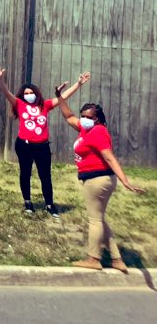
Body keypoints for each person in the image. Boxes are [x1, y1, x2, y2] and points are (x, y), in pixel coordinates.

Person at [55, 73, 145, 272]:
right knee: (100, 218)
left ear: (98, 119)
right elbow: (69, 116)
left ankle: (93, 259)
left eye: (90, 117)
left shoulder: (97, 132)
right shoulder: (86, 130)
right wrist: (59, 97)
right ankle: (116, 259)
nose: (85, 120)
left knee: (94, 219)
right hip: (97, 178)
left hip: (97, 179)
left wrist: (125, 181)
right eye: (84, 116)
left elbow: (110, 157)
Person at [0, 65, 88, 218]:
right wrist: (0, 80)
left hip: (42, 147)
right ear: (22, 96)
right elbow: (6, 92)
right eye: (26, 93)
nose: (29, 95)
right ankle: (27, 202)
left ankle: (49, 204)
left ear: (36, 94)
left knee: (45, 176)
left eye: (31, 93)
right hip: (24, 145)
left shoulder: (45, 105)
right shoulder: (19, 104)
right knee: (25, 173)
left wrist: (79, 84)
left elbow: (62, 98)